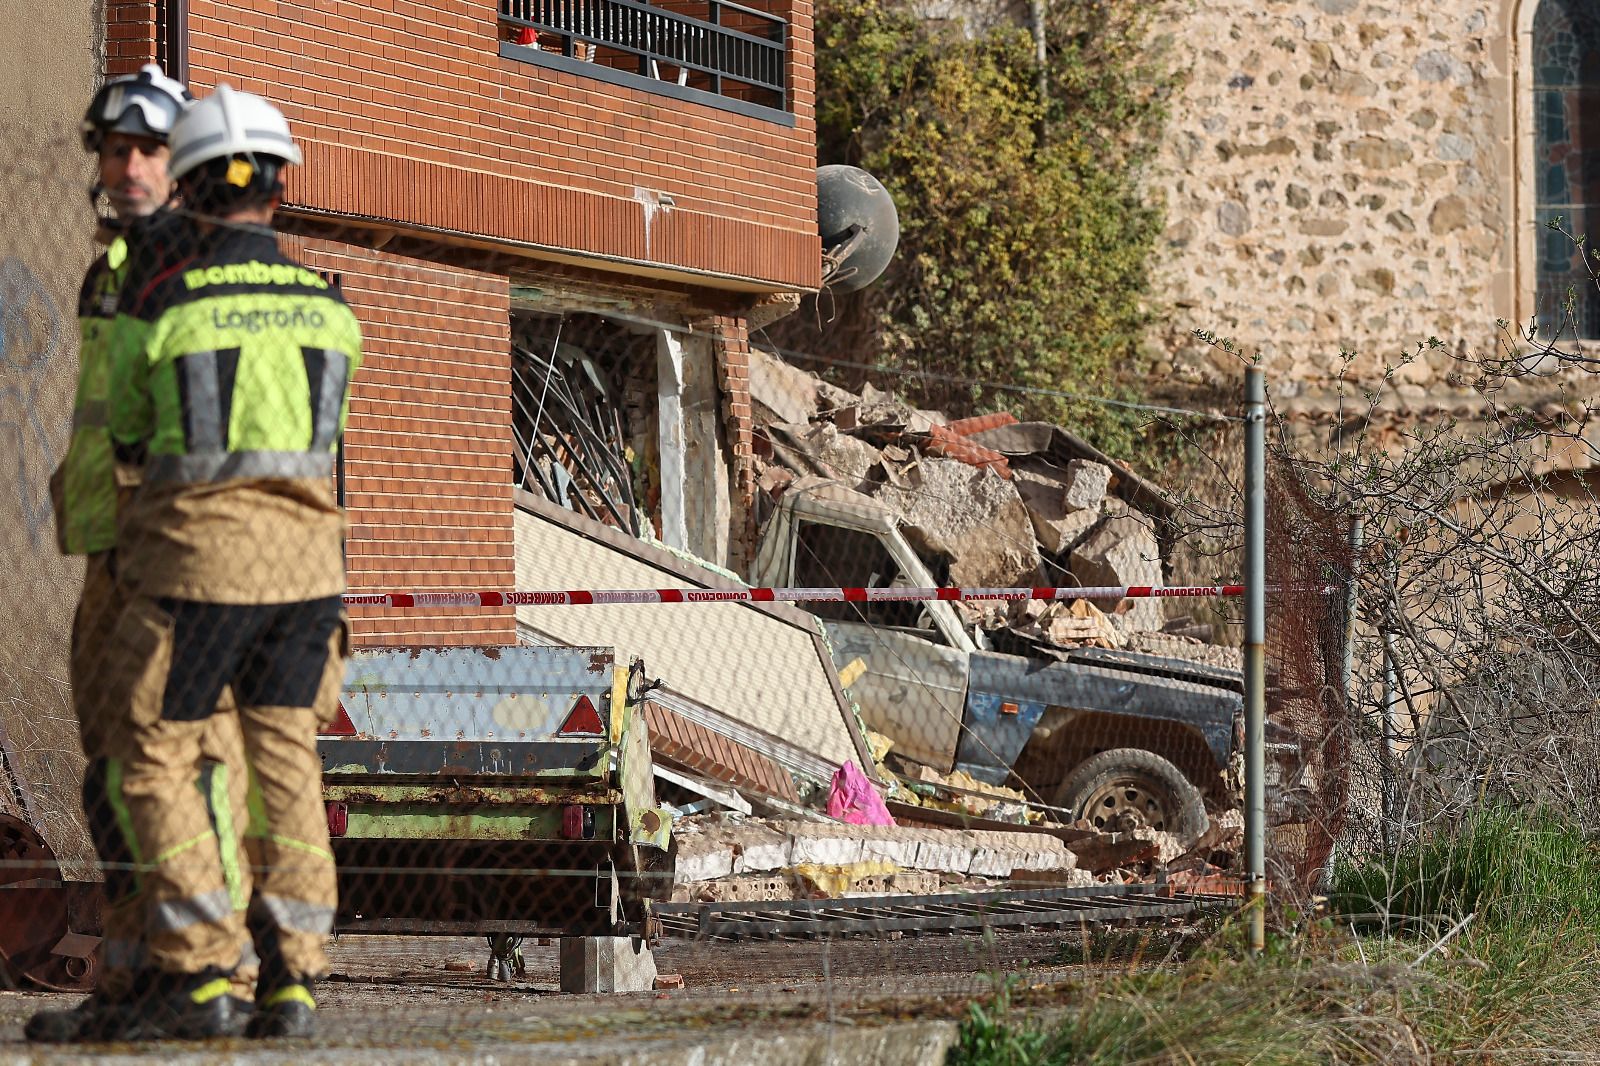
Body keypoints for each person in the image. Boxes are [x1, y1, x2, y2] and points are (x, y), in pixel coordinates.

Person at [102, 83, 362, 1040]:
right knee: (287, 762)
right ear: (278, 190)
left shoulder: (166, 306)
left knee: (158, 760)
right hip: (305, 582)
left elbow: (127, 429)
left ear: (194, 190)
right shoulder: (331, 316)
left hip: (197, 578)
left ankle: (208, 966)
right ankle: (294, 976)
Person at [29, 66, 255, 1045]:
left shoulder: (202, 270)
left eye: (146, 149)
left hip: (177, 559)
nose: (125, 166)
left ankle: (211, 976)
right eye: (113, 149)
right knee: (113, 776)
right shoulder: (113, 270)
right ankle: (133, 984)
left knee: (191, 766)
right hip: (108, 557)